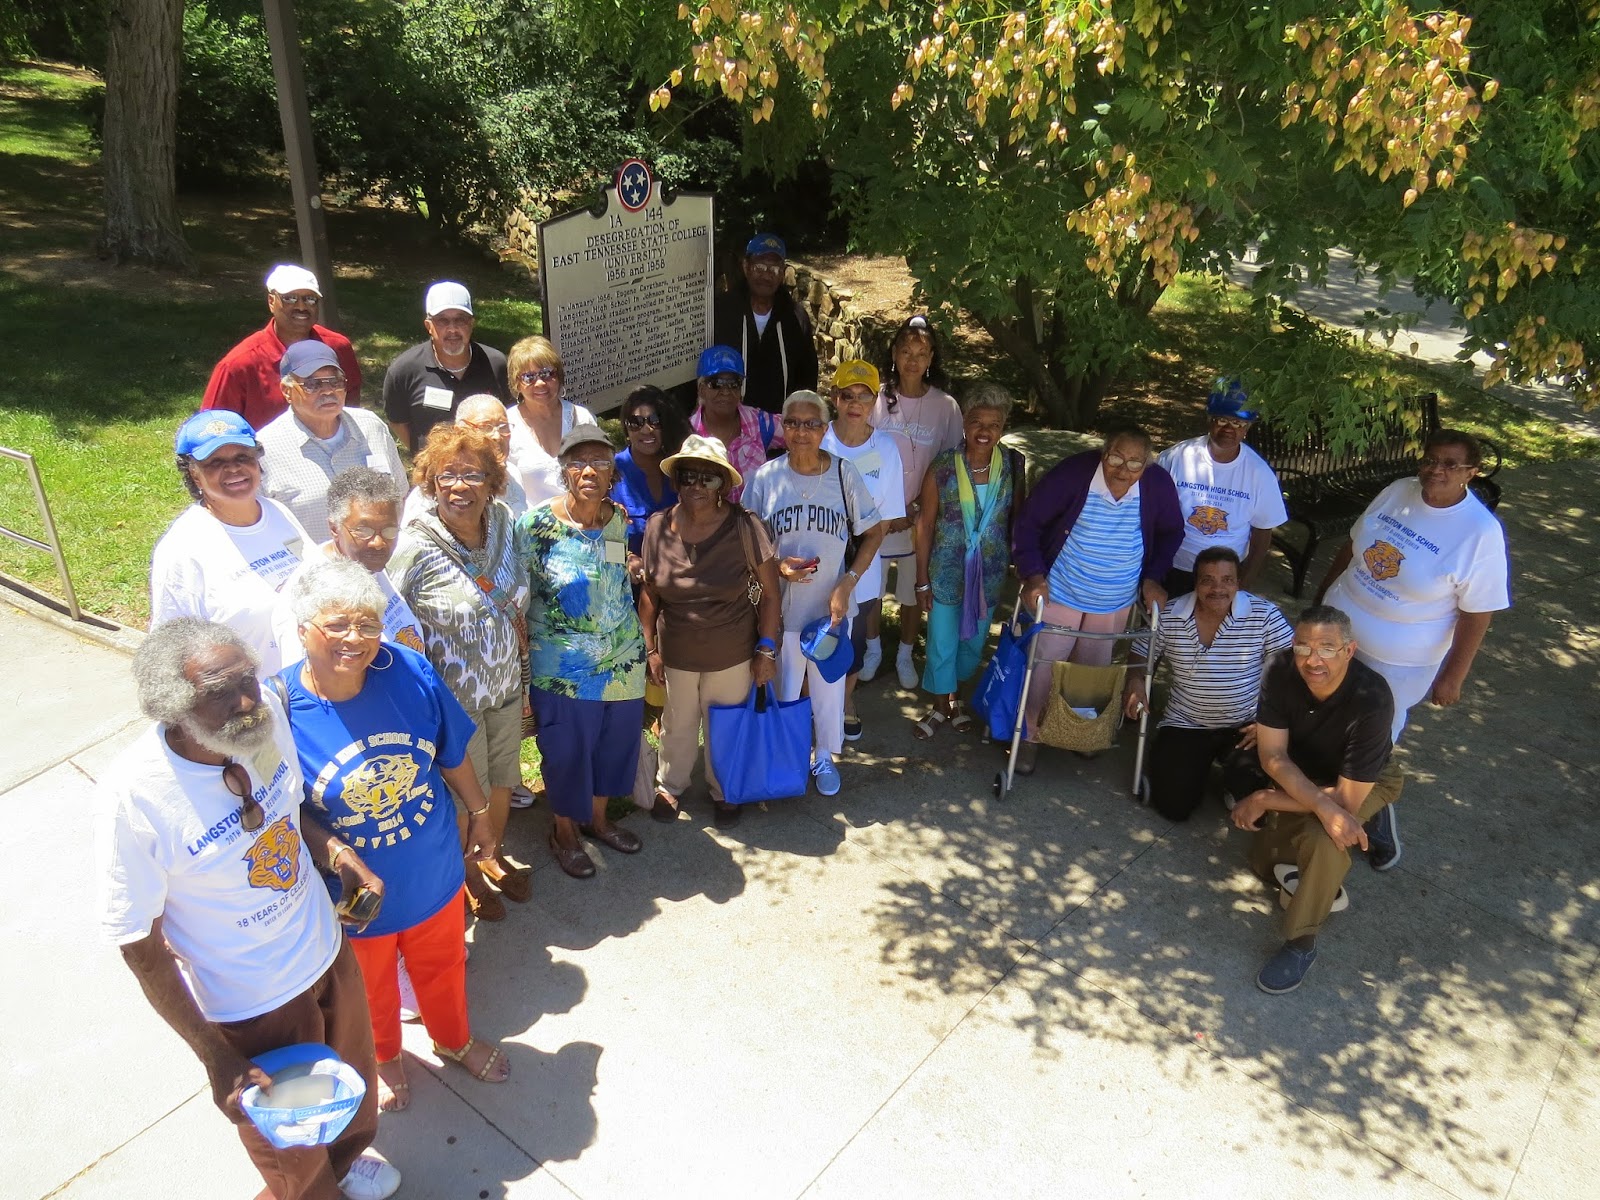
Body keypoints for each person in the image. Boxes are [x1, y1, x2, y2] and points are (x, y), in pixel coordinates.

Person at [95, 618, 400, 1200]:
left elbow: (285, 811)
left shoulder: (262, 721)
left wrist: (337, 853)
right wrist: (215, 1056)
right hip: (254, 1003)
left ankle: (345, 1163)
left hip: (325, 951)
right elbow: (140, 946)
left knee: (351, 1088)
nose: (244, 702)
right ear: (170, 707)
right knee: (291, 1147)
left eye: (247, 680)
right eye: (217, 692)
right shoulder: (133, 798)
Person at [279, 560, 511, 1113]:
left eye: (367, 623)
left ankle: (452, 1040)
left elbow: (450, 748)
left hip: (433, 866)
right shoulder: (280, 707)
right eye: (336, 625)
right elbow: (275, 812)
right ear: (301, 630)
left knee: (445, 964)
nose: (355, 639)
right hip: (355, 895)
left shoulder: (405, 667)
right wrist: (334, 851)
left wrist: (479, 812)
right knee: (368, 988)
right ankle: (383, 1058)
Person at [1315, 428, 1511, 870]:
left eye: (1450, 464)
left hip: (1398, 660)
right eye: (1430, 459)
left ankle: (1374, 815)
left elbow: (1478, 612)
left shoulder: (1479, 533)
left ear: (1471, 473)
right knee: (1319, 720)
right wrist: (1324, 593)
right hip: (1338, 627)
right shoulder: (1398, 491)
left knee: (1368, 742)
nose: (1435, 470)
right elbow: (1353, 543)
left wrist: (1453, 676)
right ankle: (1315, 800)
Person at [387, 424, 532, 922]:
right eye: (447, 475)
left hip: (507, 685)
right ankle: (466, 876)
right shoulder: (413, 547)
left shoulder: (508, 521)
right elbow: (389, 621)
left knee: (502, 780)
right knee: (461, 794)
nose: (459, 486)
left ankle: (491, 856)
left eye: (473, 475)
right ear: (429, 483)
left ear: (492, 482)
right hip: (452, 699)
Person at [1225, 605, 1405, 994]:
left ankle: (1301, 942)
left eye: (1327, 647)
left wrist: (1269, 799)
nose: (1313, 658)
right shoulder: (1280, 669)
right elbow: (1273, 756)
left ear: (1349, 650)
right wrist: (1266, 795)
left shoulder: (1372, 698)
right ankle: (1368, 823)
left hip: (1361, 782)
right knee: (1264, 864)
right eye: (1303, 647)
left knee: (1326, 839)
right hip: (1307, 772)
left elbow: (1342, 798)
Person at [1011, 426, 1185, 775]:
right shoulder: (1074, 473)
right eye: (1116, 458)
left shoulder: (1157, 484)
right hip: (1061, 590)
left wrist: (1152, 577)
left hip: (1115, 598)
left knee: (1092, 672)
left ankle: (1080, 732)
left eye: (1135, 463)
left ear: (1147, 464)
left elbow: (1171, 531)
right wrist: (1033, 576)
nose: (1123, 470)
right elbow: (1027, 524)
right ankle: (1029, 736)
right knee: (1044, 666)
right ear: (1104, 452)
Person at [741, 391, 884, 797]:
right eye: (792, 423)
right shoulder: (765, 478)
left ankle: (823, 755)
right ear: (782, 428)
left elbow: (874, 532)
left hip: (830, 611)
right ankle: (787, 757)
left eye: (811, 423)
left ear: (824, 429)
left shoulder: (843, 474)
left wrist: (848, 581)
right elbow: (747, 540)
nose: (801, 431)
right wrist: (777, 568)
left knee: (826, 692)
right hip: (780, 609)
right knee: (784, 690)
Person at [521, 425, 649, 877]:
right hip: (563, 666)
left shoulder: (616, 518)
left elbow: (613, 567)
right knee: (567, 751)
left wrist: (632, 565)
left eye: (599, 461)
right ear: (564, 471)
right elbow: (519, 595)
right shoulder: (536, 526)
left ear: (612, 471)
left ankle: (597, 821)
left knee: (615, 746)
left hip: (622, 661)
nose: (589, 470)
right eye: (578, 462)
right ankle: (564, 833)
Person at [637, 435, 782, 827]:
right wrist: (650, 648)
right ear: (677, 480)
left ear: (724, 484)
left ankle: (724, 789)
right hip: (676, 652)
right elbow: (650, 594)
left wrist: (766, 650)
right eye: (689, 476)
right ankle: (672, 784)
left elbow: (770, 595)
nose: (697, 486)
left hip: (732, 652)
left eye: (709, 478)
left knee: (726, 726)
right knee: (676, 723)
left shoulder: (745, 526)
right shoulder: (657, 527)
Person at [1122, 546, 1295, 821]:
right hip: (1186, 722)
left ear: (1238, 582)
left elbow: (1293, 669)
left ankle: (1233, 781)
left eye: (1227, 580)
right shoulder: (1171, 614)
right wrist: (1134, 681)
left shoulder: (1264, 615)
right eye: (1208, 580)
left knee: (1254, 807)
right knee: (1173, 807)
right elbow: (1142, 651)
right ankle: (1198, 769)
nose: (1218, 588)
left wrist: (1270, 722)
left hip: (1246, 725)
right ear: (1196, 583)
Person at [151, 410, 312, 677]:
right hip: (247, 705)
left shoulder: (277, 512)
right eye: (215, 462)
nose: (234, 468)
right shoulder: (182, 549)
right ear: (194, 474)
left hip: (309, 689)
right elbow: (169, 653)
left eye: (242, 457)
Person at [911, 382, 1027, 739]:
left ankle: (955, 699)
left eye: (994, 424)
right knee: (942, 640)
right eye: (977, 422)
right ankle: (939, 706)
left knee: (973, 643)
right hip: (945, 572)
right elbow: (925, 524)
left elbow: (1019, 519)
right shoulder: (943, 466)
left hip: (988, 575)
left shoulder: (1012, 465)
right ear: (964, 424)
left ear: (1003, 428)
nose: (985, 431)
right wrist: (921, 580)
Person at [872, 315, 964, 688]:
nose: (913, 359)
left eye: (922, 353)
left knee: (911, 591)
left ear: (931, 359)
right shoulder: (875, 398)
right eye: (906, 351)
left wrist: (918, 511)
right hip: (878, 519)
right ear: (894, 353)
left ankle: (905, 654)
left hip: (918, 520)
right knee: (872, 592)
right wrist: (882, 511)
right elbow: (860, 456)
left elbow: (949, 465)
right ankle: (874, 649)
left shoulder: (946, 407)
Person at [821, 359, 906, 740]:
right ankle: (812, 705)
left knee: (851, 646)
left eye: (864, 396)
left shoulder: (885, 449)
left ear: (875, 400)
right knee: (814, 637)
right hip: (816, 560)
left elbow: (885, 521)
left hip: (863, 565)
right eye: (846, 395)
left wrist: (853, 568)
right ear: (834, 399)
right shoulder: (818, 438)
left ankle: (844, 701)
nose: (855, 403)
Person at [272, 467, 425, 665]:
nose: (378, 543)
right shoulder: (310, 597)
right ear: (334, 528)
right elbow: (308, 685)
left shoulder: (365, 566)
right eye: (363, 530)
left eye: (389, 530)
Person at [258, 341, 408, 536]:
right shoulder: (264, 449)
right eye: (312, 384)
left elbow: (401, 496)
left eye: (335, 382)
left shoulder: (371, 427)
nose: (328, 391)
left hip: (381, 559)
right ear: (287, 391)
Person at [1156, 377, 1288, 595]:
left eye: (1238, 423)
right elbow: (1151, 511)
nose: (1229, 429)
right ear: (1209, 419)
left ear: (1248, 427)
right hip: (1173, 566)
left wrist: (1244, 582)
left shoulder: (1259, 473)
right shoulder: (1176, 457)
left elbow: (1263, 532)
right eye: (1222, 420)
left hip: (1223, 578)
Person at [202, 264, 363, 430]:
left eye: (310, 299)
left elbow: (350, 410)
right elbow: (212, 430)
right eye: (290, 298)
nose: (301, 307)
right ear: (271, 301)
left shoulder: (338, 347)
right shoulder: (239, 365)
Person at [382, 281, 510, 452]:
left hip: (490, 473)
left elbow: (510, 417)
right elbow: (398, 422)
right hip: (433, 476)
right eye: (442, 320)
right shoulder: (403, 371)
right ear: (429, 326)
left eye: (461, 320)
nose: (453, 329)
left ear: (471, 324)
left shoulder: (496, 364)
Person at [712, 233, 818, 414]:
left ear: (783, 273)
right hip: (731, 427)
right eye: (759, 267)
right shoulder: (722, 312)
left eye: (774, 269)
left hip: (779, 427)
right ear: (746, 267)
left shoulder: (796, 318)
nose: (766, 275)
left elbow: (806, 378)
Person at [402, 394, 529, 523]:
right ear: (459, 431)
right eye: (485, 427)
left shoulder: (513, 473)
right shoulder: (438, 486)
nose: (497, 436)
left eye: (503, 427)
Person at [503, 335, 596, 507]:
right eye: (529, 377)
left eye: (547, 374)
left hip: (581, 525)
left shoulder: (582, 418)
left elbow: (601, 471)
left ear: (559, 376)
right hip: (529, 528)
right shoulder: (506, 426)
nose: (540, 383)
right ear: (517, 383)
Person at [688, 345, 782, 502]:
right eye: (716, 383)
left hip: (754, 523)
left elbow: (803, 433)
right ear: (701, 389)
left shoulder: (760, 423)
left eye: (733, 383)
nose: (725, 391)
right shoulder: (688, 434)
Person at [610, 384, 690, 553]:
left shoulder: (679, 466)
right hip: (629, 577)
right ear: (626, 429)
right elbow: (603, 538)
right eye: (636, 423)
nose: (647, 430)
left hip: (681, 571)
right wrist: (626, 560)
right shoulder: (610, 472)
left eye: (655, 421)